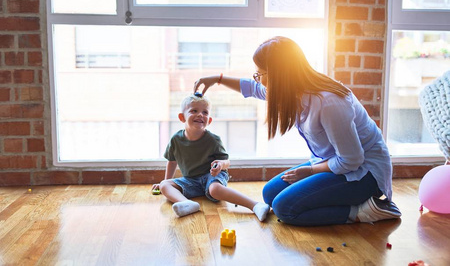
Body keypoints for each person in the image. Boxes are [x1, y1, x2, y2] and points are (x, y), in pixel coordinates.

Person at [193, 36, 402, 226]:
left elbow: (352, 161)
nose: (258, 79)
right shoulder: (292, 90)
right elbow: (255, 89)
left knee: (285, 209)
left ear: (280, 75)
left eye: (260, 74)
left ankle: (364, 211)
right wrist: (218, 79)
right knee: (270, 194)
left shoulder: (329, 103)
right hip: (332, 161)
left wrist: (310, 171)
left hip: (364, 173)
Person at [152, 93, 270, 221]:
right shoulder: (176, 139)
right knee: (165, 185)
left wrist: (220, 165)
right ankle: (187, 203)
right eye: (194, 111)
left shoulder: (213, 140)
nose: (200, 115)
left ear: (209, 120)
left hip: (212, 176)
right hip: (191, 180)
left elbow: (226, 161)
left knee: (214, 189)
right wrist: (166, 181)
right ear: (182, 117)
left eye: (205, 112)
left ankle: (255, 205)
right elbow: (172, 161)